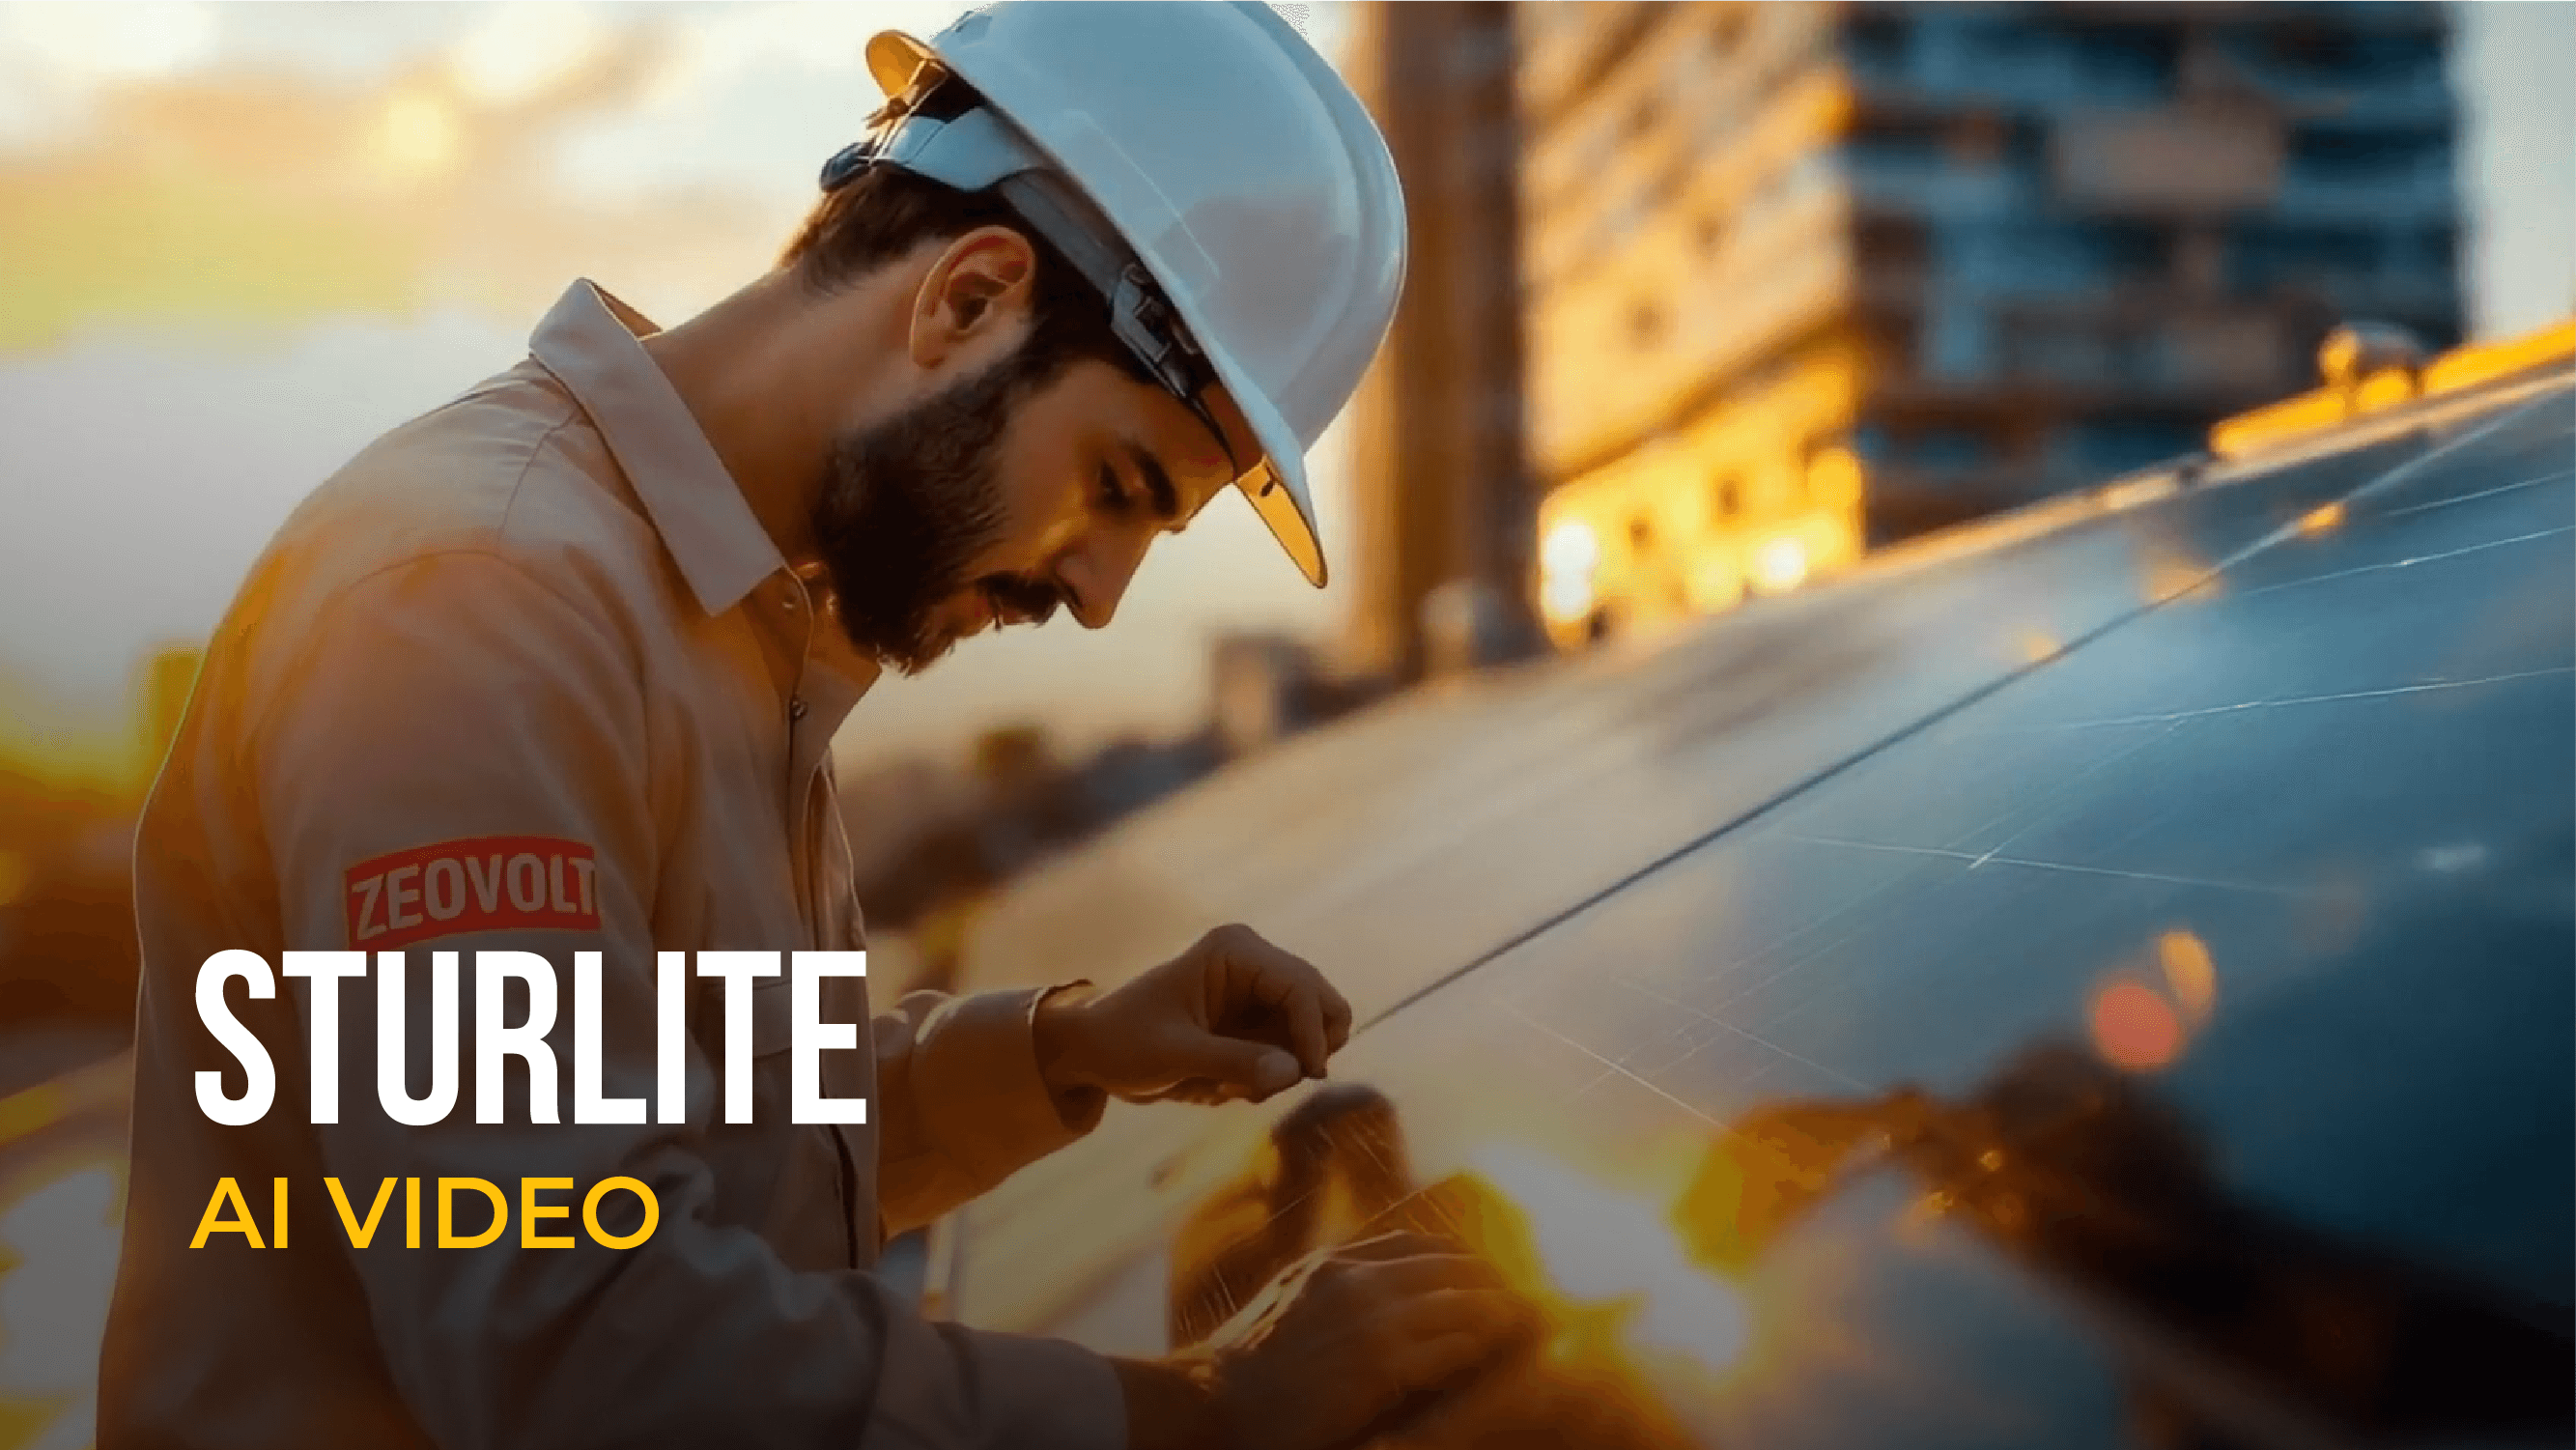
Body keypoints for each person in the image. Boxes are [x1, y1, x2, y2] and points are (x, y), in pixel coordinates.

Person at [99, 5, 1535, 1447]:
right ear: (965, 301)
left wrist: (1067, 1050)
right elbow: (579, 1333)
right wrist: (1212, 1414)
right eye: (1117, 487)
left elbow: (713, 1142)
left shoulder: (723, 621)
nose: (1100, 596)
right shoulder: (477, 609)